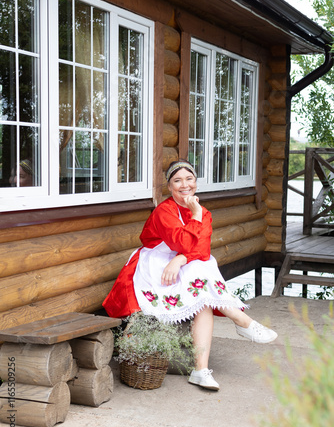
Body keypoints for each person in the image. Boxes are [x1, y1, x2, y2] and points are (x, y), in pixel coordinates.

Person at [103, 160, 277, 391]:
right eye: (177, 181)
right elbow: (182, 242)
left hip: (181, 262)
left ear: (196, 182)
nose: (184, 185)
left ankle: (200, 370)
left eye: (189, 179)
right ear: (169, 186)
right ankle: (241, 320)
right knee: (200, 274)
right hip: (155, 262)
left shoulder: (204, 212)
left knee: (202, 289)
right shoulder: (164, 211)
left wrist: (181, 258)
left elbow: (202, 249)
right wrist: (194, 217)